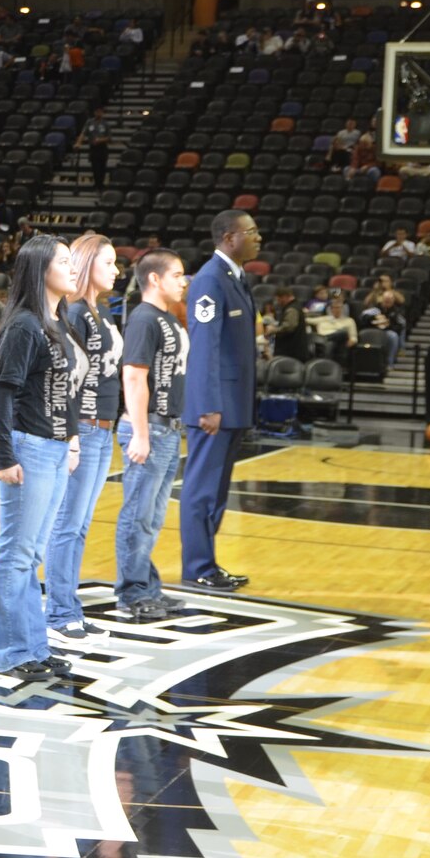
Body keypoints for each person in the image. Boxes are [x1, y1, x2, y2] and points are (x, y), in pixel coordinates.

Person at [0, 235, 82, 681]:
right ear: (42, 269)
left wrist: (73, 438)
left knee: (32, 554)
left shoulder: (56, 320)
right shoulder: (24, 325)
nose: (73, 267)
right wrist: (4, 456)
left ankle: (33, 647)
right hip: (28, 448)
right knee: (18, 555)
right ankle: (10, 652)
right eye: (64, 261)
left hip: (55, 448)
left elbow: (67, 391)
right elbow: (1, 394)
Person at [46, 233, 122, 641]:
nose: (115, 270)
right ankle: (59, 613)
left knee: (79, 524)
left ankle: (69, 606)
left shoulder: (100, 311)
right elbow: (68, 379)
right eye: (108, 262)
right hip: (86, 427)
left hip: (103, 427)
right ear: (87, 262)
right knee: (67, 523)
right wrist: (72, 434)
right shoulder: (75, 311)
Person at [181, 211, 260, 592]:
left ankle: (208, 564)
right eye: (251, 231)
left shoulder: (235, 278)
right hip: (215, 408)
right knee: (201, 490)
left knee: (217, 491)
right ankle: (196, 566)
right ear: (230, 238)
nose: (257, 236)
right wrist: (208, 405)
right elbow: (204, 348)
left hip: (233, 405)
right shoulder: (211, 280)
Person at [115, 249, 190, 621]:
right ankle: (131, 594)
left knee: (153, 517)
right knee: (138, 515)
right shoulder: (144, 318)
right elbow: (133, 375)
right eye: (177, 274)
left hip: (167, 429)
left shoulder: (170, 318)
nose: (183, 281)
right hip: (149, 427)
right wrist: (141, 433)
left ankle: (147, 587)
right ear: (155, 279)